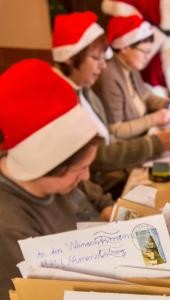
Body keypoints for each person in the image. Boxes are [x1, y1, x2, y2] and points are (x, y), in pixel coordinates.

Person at [0, 59, 114, 297]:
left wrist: (111, 212)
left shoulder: (60, 180)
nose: (86, 175)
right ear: (44, 166)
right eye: (79, 169)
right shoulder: (10, 227)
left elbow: (92, 194)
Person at [51, 11, 170, 190]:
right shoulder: (64, 99)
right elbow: (97, 157)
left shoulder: (84, 89)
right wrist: (153, 143)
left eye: (103, 58)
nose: (102, 65)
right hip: (105, 179)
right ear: (69, 59)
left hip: (115, 167)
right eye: (95, 58)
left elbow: (108, 139)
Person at [95, 15, 170, 140]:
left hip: (143, 134)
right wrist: (153, 119)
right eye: (144, 51)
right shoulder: (109, 76)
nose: (147, 57)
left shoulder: (130, 65)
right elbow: (116, 130)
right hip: (129, 143)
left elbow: (146, 97)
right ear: (125, 48)